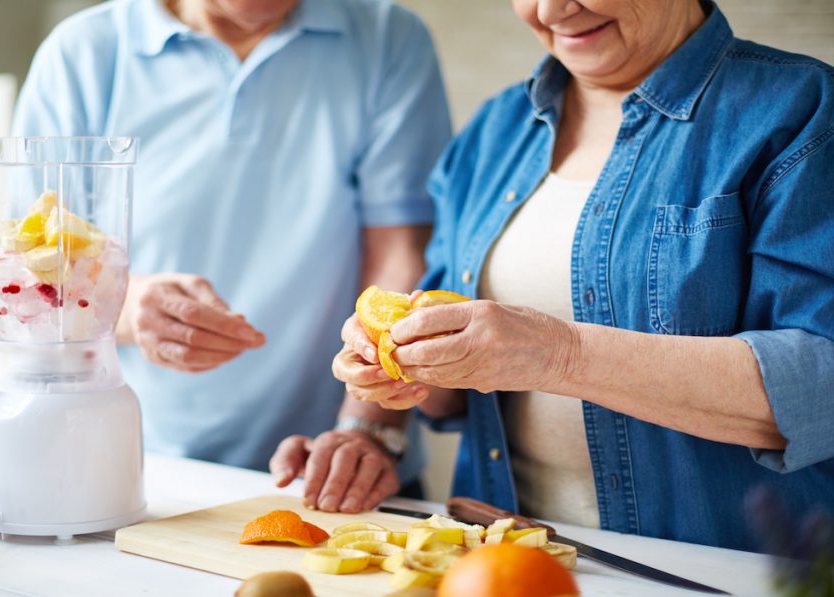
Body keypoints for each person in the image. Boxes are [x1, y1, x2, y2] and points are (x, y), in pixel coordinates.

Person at [329, 0, 834, 550]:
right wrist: (401, 371)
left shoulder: (803, 112)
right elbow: (455, 394)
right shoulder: (494, 130)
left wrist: (559, 354)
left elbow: (820, 385)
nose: (551, 9)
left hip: (717, 573)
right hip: (502, 565)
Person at [12, 0, 452, 511]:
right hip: (134, 467)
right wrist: (128, 310)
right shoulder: (83, 53)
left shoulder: (388, 37)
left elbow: (400, 252)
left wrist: (366, 428)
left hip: (335, 467)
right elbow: (30, 274)